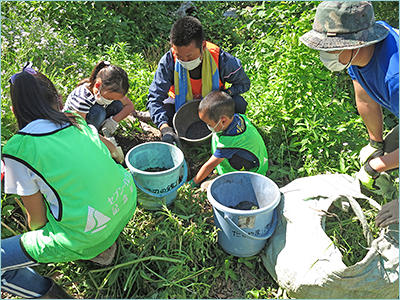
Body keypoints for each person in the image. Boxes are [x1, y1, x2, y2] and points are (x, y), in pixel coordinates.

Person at [2, 65, 137, 298]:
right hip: (126, 199)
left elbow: (37, 220)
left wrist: (39, 241)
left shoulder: (18, 149)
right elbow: (109, 150)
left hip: (90, 234)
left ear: (15, 110)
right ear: (58, 98)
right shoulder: (75, 119)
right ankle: (102, 243)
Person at [300, 1, 399, 190]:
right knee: (388, 150)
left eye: (330, 47)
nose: (324, 53)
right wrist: (375, 142)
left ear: (355, 44)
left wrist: (374, 166)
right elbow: (365, 100)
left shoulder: (395, 77)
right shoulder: (360, 55)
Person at [147, 16, 251, 147]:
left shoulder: (221, 60)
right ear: (173, 47)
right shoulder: (169, 61)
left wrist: (226, 92)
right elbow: (154, 97)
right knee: (166, 110)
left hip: (213, 105)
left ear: (203, 46)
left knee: (238, 104)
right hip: (181, 103)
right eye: (179, 56)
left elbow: (243, 84)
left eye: (190, 57)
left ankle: (227, 132)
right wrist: (164, 128)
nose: (184, 61)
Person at [188, 91, 268, 187]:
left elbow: (210, 165)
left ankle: (233, 179)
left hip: (253, 175)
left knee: (205, 186)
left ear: (223, 121)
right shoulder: (238, 117)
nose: (207, 127)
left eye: (209, 124)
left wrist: (193, 182)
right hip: (259, 157)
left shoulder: (230, 140)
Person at [63, 60, 135, 136]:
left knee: (117, 104)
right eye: (110, 98)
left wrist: (113, 121)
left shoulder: (110, 90)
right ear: (98, 86)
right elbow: (82, 129)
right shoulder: (83, 99)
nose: (111, 100)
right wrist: (105, 143)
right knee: (99, 112)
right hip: (76, 127)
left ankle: (101, 128)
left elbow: (129, 106)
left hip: (88, 119)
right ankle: (97, 132)